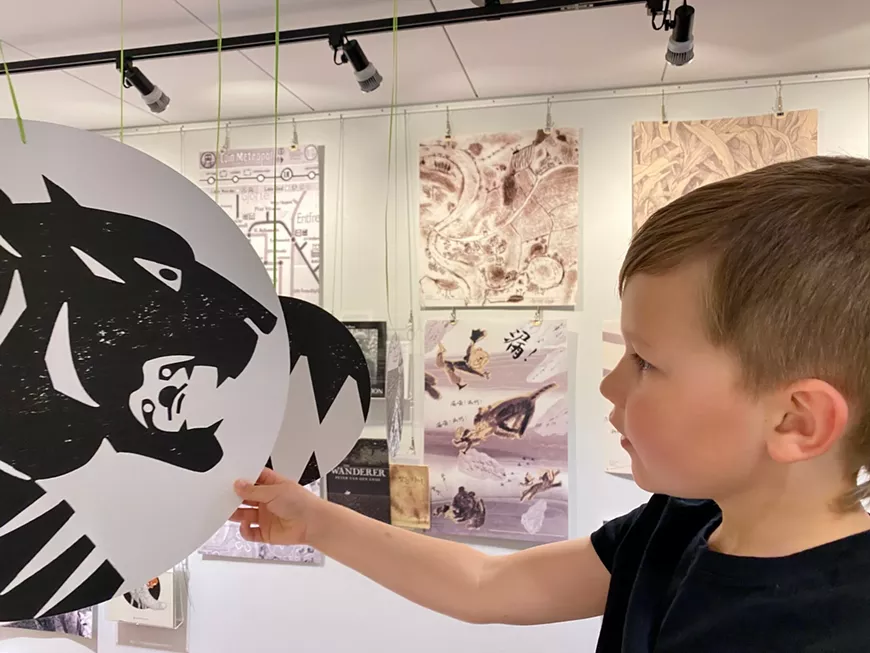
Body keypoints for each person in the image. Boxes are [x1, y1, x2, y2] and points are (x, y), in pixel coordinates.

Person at [232, 155, 870, 652]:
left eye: (646, 363)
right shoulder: (674, 526)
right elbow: (486, 585)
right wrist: (314, 520)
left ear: (797, 421)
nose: (610, 386)